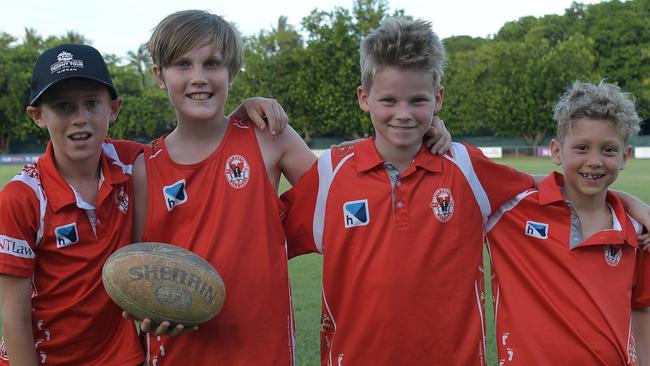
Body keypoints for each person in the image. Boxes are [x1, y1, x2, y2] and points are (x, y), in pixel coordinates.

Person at [281, 17, 536, 365]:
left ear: (438, 98)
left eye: (418, 100)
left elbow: (552, 199)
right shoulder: (332, 173)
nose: (403, 114)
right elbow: (264, 241)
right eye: (389, 100)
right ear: (364, 98)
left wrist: (624, 203)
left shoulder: (465, 167)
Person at [130, 10, 318, 365]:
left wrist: (418, 135)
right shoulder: (143, 168)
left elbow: (344, 197)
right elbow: (137, 269)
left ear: (231, 70)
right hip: (179, 354)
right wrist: (146, 312)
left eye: (212, 63)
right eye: (182, 65)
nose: (198, 77)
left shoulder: (268, 138)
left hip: (263, 352)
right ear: (159, 75)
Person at [485, 81, 650, 365]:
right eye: (582, 148)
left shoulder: (637, 231)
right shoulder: (512, 209)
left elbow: (641, 309)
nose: (595, 161)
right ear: (557, 151)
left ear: (625, 156)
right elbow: (458, 166)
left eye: (608, 150)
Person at [0, 43, 144, 365]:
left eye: (92, 103)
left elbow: (193, 145)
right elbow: (14, 319)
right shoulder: (22, 197)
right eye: (64, 107)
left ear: (114, 109)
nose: (80, 118)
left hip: (122, 357)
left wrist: (239, 113)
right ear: (38, 116)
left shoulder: (133, 162)